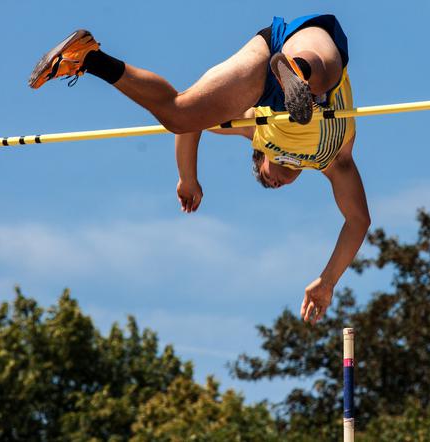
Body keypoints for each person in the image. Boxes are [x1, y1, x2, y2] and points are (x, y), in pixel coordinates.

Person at [28, 14, 370, 325]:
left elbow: (192, 127)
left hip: (290, 63)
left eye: (267, 180)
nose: (276, 182)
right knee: (325, 78)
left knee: (179, 115)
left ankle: (88, 58)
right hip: (304, 63)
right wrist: (327, 283)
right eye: (269, 181)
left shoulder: (262, 132)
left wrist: (188, 178)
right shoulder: (330, 160)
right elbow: (358, 221)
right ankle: (299, 77)